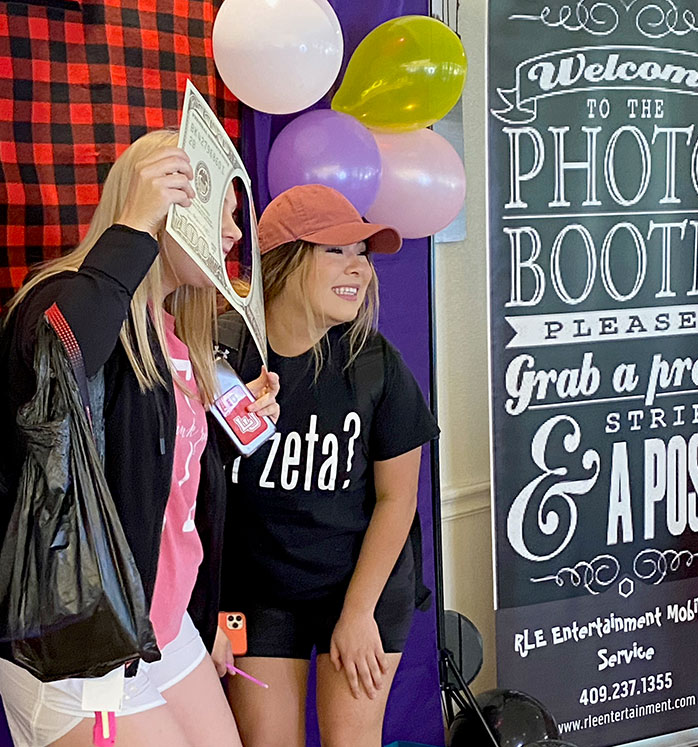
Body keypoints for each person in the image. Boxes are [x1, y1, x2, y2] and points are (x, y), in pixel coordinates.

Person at [0, 129, 278, 747]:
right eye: (215, 211)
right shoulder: (65, 302)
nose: (233, 235)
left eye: (233, 216)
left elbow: (168, 495)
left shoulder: (182, 339)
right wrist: (134, 228)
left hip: (163, 627)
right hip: (82, 634)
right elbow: (62, 361)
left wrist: (237, 422)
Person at [217, 185, 438, 747]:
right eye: (336, 250)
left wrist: (359, 613)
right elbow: (189, 500)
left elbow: (398, 499)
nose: (358, 267)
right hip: (255, 595)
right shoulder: (222, 357)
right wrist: (213, 618)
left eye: (362, 252)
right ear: (285, 260)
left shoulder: (375, 363)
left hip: (360, 586)